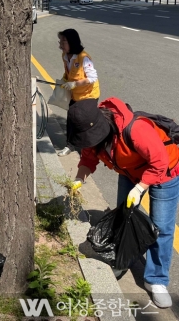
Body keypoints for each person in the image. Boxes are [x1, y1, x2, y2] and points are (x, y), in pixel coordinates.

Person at [69, 97, 179, 309]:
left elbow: (159, 163)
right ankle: (122, 260)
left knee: (162, 227)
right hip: (129, 172)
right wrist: (77, 180)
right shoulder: (92, 137)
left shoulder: (136, 130)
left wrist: (140, 188)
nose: (88, 143)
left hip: (165, 172)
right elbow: (88, 161)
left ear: (103, 127)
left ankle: (156, 280)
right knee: (123, 218)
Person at [57, 28, 100, 157]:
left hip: (89, 94)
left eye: (63, 41)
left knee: (83, 119)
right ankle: (70, 145)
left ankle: (88, 149)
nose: (60, 44)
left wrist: (74, 84)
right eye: (60, 41)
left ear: (72, 42)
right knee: (71, 118)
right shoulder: (65, 56)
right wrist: (65, 80)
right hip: (75, 94)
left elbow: (92, 78)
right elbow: (68, 73)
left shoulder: (83, 58)